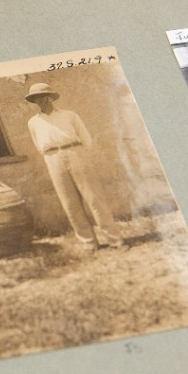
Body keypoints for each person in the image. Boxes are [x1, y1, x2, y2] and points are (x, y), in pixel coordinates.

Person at [24, 82, 124, 249]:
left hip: (75, 153)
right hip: (53, 158)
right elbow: (38, 145)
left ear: (51, 97)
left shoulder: (69, 115)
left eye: (44, 96)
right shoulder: (33, 122)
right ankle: (89, 244)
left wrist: (79, 154)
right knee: (70, 203)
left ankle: (114, 240)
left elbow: (86, 138)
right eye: (37, 98)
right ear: (34, 101)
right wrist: (52, 156)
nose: (41, 100)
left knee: (94, 198)